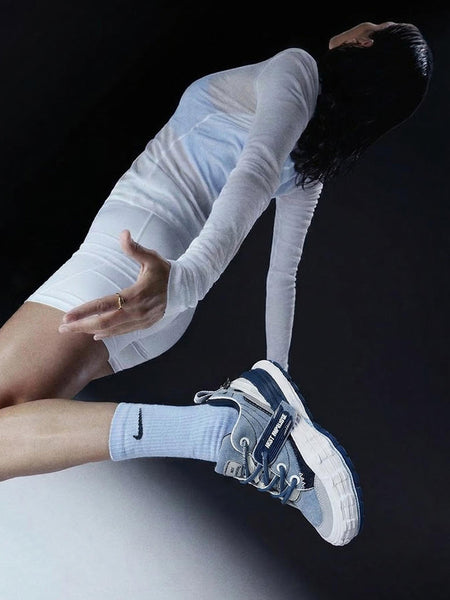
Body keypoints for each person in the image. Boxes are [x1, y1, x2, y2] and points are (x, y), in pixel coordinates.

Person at [0, 21, 433, 546]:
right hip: (159, 305)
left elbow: (254, 172)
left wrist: (185, 281)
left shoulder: (298, 68)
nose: (364, 21)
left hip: (131, 270)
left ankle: (219, 431)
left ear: (364, 42)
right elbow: (283, 275)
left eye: (376, 23)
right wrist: (276, 378)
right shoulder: (312, 160)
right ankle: (238, 425)